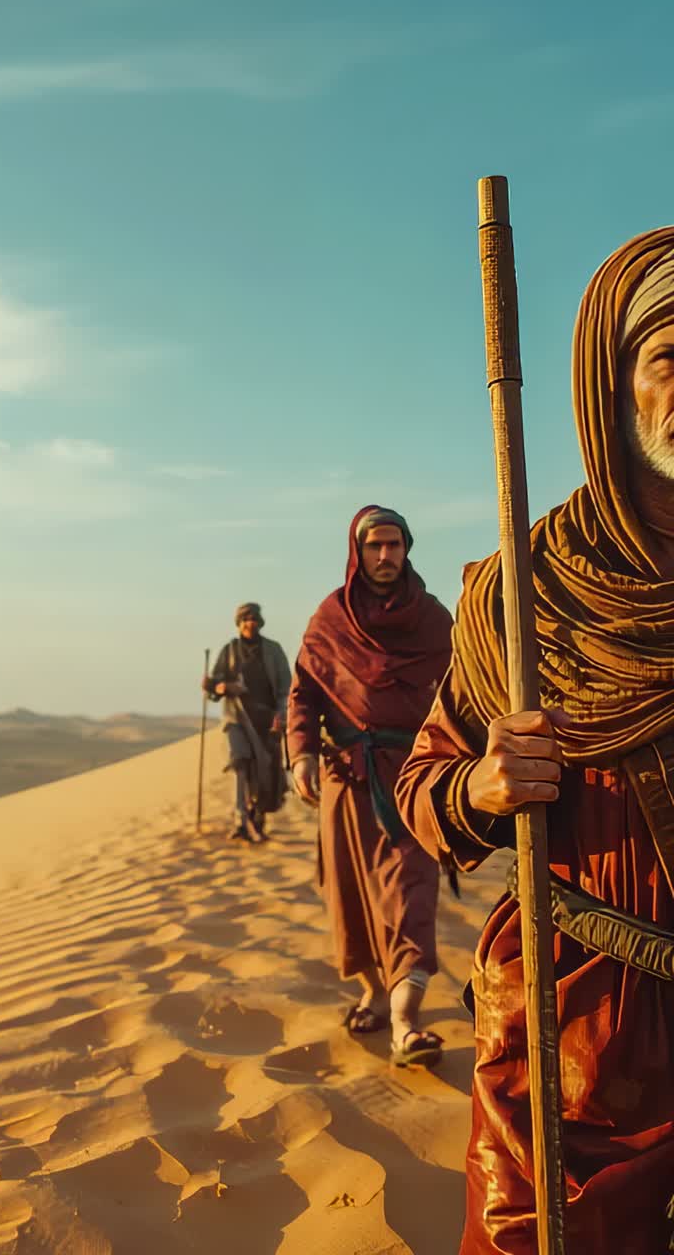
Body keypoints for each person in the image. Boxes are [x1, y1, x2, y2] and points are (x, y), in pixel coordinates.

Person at [395, 227, 674, 1252]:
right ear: (614, 385)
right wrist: (481, 786)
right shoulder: (528, 590)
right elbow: (423, 788)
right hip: (574, 1034)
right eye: (670, 354)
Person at [287, 506, 453, 1067]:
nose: (386, 556)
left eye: (395, 545)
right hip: (345, 775)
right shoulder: (331, 617)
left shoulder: (433, 619)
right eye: (375, 546)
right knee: (349, 892)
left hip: (414, 776)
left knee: (412, 892)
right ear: (357, 551)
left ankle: (407, 1023)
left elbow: (465, 690)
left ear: (408, 549)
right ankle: (374, 993)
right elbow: (304, 692)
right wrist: (301, 752)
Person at [204, 602, 290, 843]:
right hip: (237, 717)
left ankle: (257, 818)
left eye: (252, 619)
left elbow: (286, 686)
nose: (248, 624)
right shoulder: (229, 650)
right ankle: (240, 820)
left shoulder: (273, 650)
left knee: (265, 771)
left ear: (259, 622)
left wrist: (281, 714)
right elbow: (216, 684)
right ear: (239, 624)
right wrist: (218, 686)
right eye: (244, 620)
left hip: (267, 720)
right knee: (239, 762)